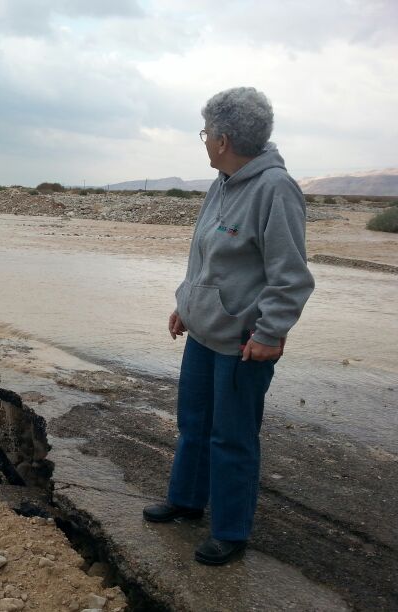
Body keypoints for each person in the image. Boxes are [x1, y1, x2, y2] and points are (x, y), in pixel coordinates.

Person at [142, 87, 315, 565]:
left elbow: (291, 275)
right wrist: (186, 305)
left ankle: (230, 531)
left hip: (243, 342)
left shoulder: (275, 189)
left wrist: (269, 332)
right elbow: (204, 256)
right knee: (194, 425)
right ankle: (186, 501)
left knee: (232, 437)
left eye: (205, 134)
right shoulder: (221, 182)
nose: (204, 141)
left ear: (223, 140)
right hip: (203, 333)